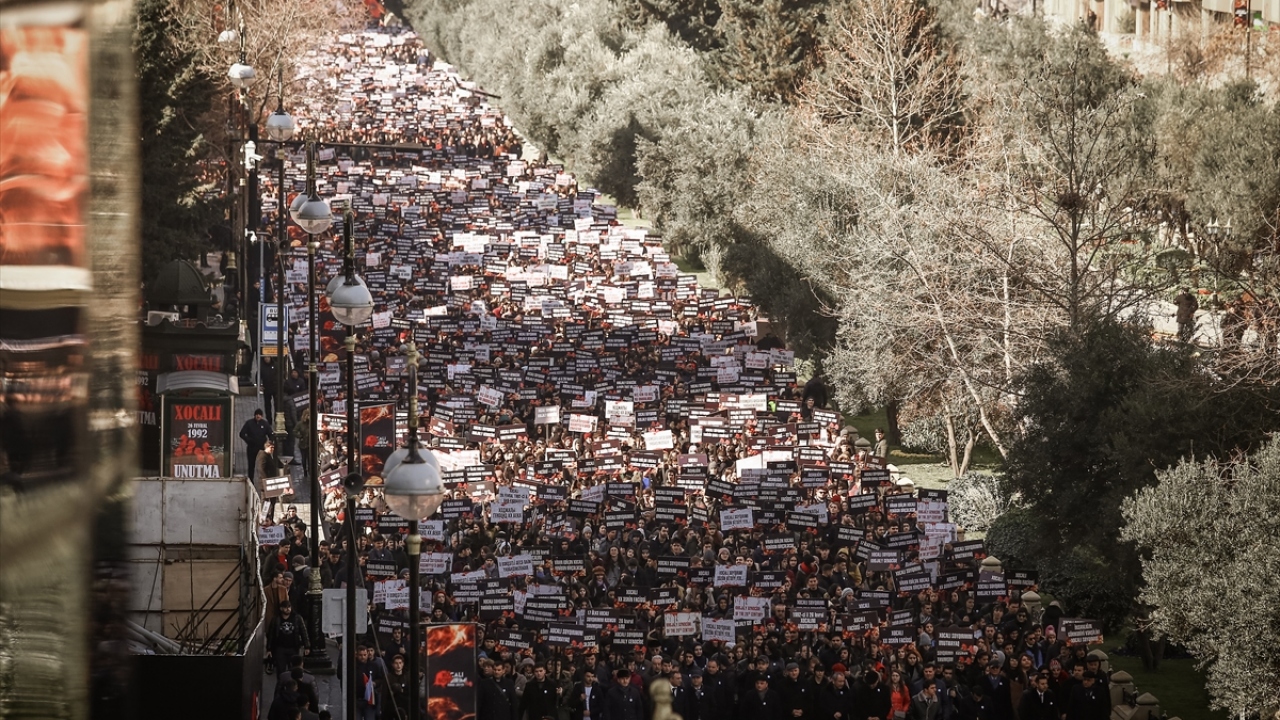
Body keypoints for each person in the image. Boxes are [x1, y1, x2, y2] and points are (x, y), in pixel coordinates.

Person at [266, 602, 309, 676]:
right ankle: (282, 685)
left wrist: (307, 646)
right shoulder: (276, 619)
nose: (288, 609)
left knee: (293, 670)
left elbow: (303, 632)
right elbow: (271, 634)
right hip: (280, 648)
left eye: (289, 607)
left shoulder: (297, 618)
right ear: (281, 608)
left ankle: (292, 686)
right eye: (285, 607)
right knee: (280, 670)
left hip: (293, 647)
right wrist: (269, 649)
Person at [240, 408, 273, 480]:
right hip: (252, 448)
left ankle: (263, 480)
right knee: (251, 465)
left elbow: (270, 434)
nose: (258, 416)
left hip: (262, 448)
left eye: (260, 415)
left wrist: (269, 442)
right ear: (254, 415)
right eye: (257, 415)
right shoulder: (249, 423)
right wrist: (249, 440)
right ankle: (251, 480)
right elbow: (242, 434)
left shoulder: (265, 424)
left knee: (262, 465)